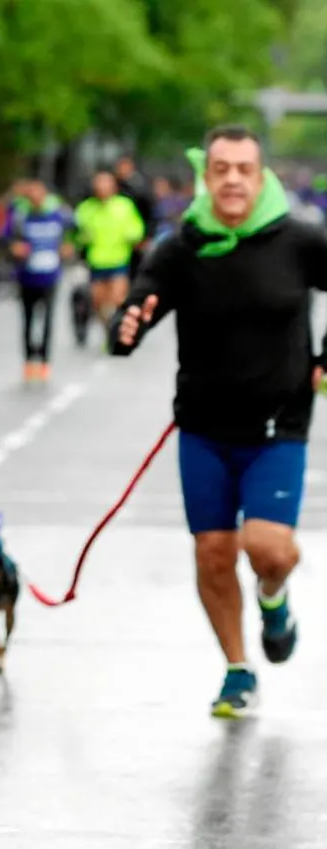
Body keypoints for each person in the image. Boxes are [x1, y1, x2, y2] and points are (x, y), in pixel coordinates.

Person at [111, 126, 327, 717]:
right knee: (212, 550)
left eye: (244, 169)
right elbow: (140, 305)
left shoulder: (301, 240)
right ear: (205, 178)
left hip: (276, 426)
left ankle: (274, 597)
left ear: (263, 178)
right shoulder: (182, 247)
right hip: (203, 428)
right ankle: (237, 669)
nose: (232, 179)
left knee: (267, 547)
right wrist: (127, 327)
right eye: (221, 168)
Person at [5, 179, 71, 380]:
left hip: (50, 275)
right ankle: (28, 360)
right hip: (27, 275)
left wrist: (68, 248)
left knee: (48, 319)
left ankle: (44, 361)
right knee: (28, 319)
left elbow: (73, 233)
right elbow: (6, 238)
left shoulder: (58, 213)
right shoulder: (20, 214)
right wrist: (15, 248)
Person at [74, 169, 147, 345]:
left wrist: (133, 236)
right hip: (97, 261)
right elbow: (78, 232)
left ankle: (116, 330)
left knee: (117, 299)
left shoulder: (124, 205)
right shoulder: (87, 208)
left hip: (118, 260)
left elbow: (136, 229)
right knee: (98, 302)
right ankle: (108, 327)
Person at [115, 155, 156, 280]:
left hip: (136, 238)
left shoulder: (140, 188)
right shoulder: (115, 187)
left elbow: (150, 213)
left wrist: (147, 236)